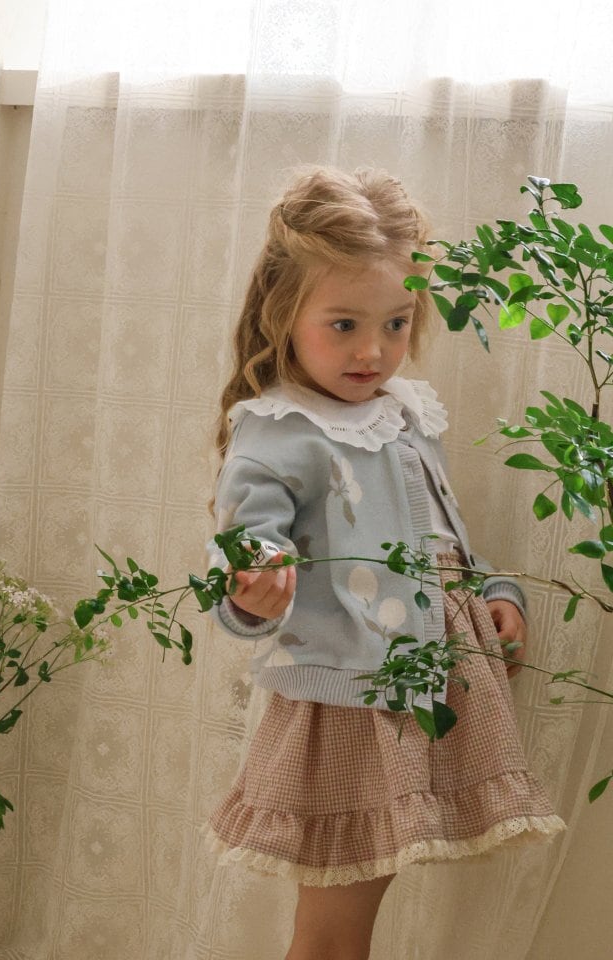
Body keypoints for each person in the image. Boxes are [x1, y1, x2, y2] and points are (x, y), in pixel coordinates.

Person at [203, 166, 564, 960]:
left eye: (396, 324)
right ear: (282, 312)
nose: (374, 350)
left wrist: (495, 590)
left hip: (431, 685)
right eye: (343, 324)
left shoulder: (403, 414)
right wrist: (255, 585)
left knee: (356, 918)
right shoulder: (280, 429)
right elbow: (246, 542)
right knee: (333, 930)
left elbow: (440, 534)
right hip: (353, 705)